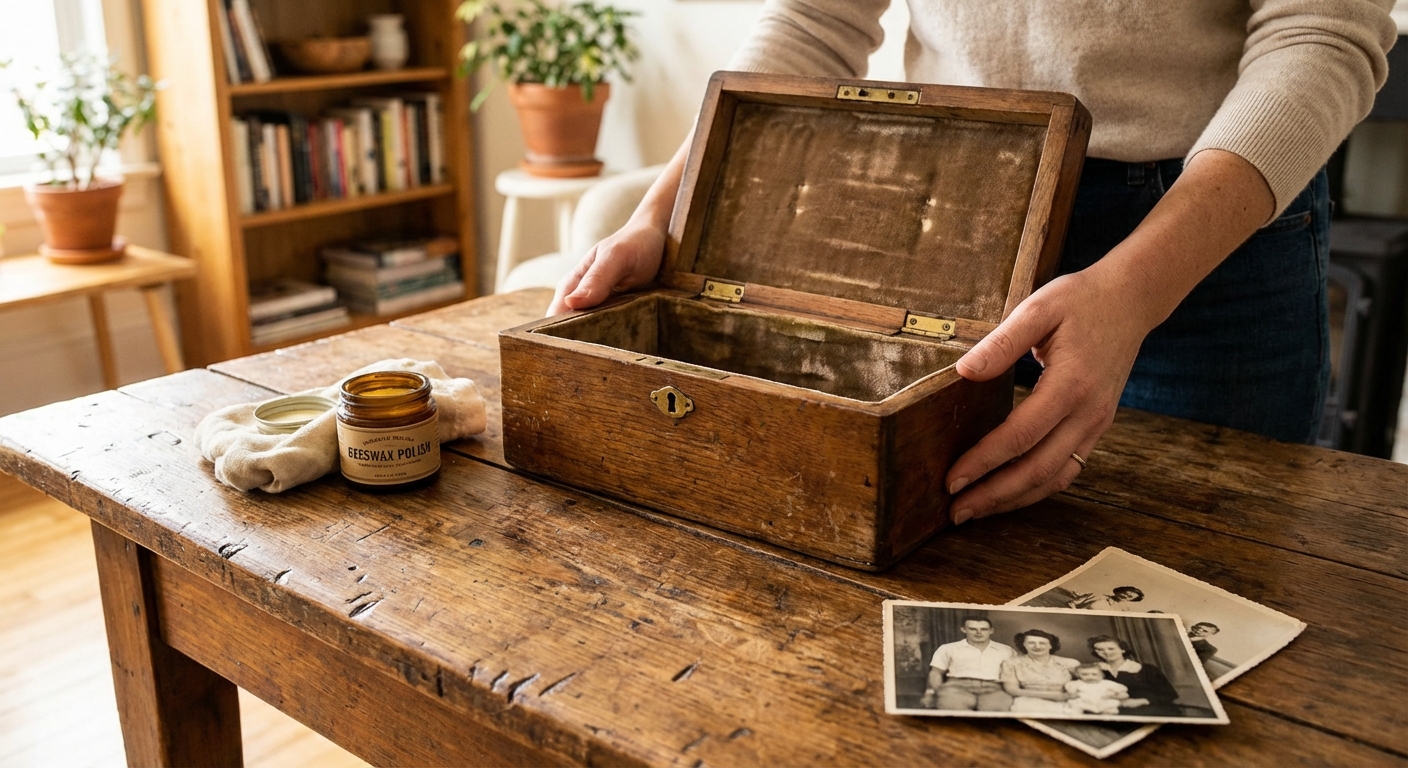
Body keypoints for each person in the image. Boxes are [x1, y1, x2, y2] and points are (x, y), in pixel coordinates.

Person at [546, 2, 1396, 525]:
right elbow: (815, 17)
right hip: (959, 209)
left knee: (1209, 587)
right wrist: (658, 214)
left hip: (1205, 231)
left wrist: (1136, 288)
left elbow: (1322, 31)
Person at [920, 616, 1016, 712]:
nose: (979, 633)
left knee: (998, 715)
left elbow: (1015, 674)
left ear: (991, 631)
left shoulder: (1006, 650)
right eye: (973, 629)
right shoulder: (948, 648)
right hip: (957, 687)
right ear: (964, 629)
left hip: (994, 688)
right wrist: (931, 693)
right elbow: (935, 672)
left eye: (984, 629)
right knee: (953, 714)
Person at [1088, 635, 1181, 717]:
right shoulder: (1094, 671)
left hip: (1149, 709)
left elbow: (1169, 695)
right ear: (1096, 652)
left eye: (1111, 648)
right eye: (1100, 650)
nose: (1106, 652)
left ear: (1122, 649)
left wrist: (1141, 701)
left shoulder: (1146, 669)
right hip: (1112, 711)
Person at [998, 628, 1081, 714]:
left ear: (1050, 645)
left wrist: (1069, 695)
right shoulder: (1012, 663)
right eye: (1031, 643)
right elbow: (1012, 690)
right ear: (1024, 645)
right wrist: (1055, 696)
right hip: (1029, 702)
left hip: (1066, 701)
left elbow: (1088, 683)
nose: (1037, 646)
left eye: (1042, 643)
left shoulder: (1070, 663)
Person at [1063, 663, 1130, 716]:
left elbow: (1122, 692)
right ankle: (1076, 716)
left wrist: (1113, 695)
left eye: (1094, 674)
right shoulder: (1077, 683)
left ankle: (1107, 715)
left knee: (1110, 705)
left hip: (1102, 701)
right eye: (1085, 674)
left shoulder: (1106, 683)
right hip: (1085, 702)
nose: (1090, 676)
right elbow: (1071, 692)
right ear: (1078, 675)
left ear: (1101, 675)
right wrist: (1073, 692)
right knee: (1075, 705)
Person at [1067, 586, 1145, 612]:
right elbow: (1072, 604)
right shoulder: (1097, 595)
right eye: (1125, 593)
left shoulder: (1124, 611)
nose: (1125, 596)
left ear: (1131, 600)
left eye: (1130, 597)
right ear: (1119, 591)